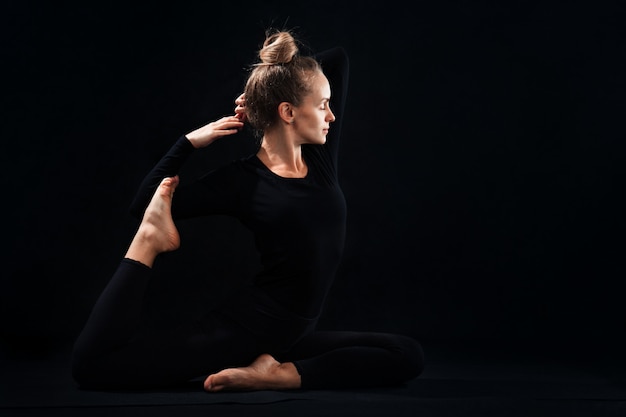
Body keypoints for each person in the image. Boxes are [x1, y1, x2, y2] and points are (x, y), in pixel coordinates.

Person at [71, 29, 424, 392]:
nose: (331, 116)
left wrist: (271, 86)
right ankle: (148, 242)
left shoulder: (319, 160)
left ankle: (280, 375)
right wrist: (188, 143)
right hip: (246, 332)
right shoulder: (242, 181)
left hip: (294, 335)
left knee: (406, 353)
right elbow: (143, 204)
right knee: (94, 368)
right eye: (322, 106)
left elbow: (338, 58)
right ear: (288, 112)